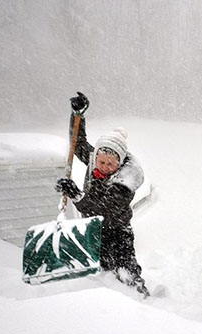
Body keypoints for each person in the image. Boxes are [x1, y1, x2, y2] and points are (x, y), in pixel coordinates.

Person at [56, 92, 150, 297]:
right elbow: (78, 144)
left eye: (111, 164)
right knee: (103, 274)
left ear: (120, 162)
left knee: (126, 273)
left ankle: (143, 301)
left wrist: (76, 194)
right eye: (101, 162)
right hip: (94, 230)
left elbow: (101, 209)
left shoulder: (126, 179)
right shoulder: (95, 158)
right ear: (96, 156)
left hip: (118, 232)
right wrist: (77, 116)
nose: (105, 167)